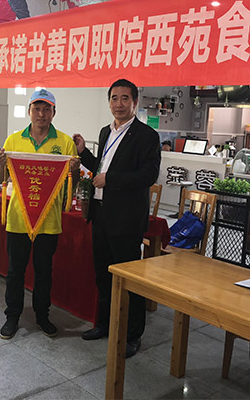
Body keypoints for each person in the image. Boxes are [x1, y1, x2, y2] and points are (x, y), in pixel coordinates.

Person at [73, 79, 161, 358]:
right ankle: (104, 324)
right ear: (109, 101)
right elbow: (101, 168)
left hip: (126, 219)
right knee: (103, 275)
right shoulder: (105, 131)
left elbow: (148, 175)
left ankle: (132, 335)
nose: (119, 104)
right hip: (101, 214)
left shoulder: (147, 136)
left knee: (130, 279)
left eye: (125, 98)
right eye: (114, 98)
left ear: (135, 102)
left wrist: (110, 179)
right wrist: (83, 152)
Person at [0, 89, 80, 340]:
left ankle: (42, 315)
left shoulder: (65, 142)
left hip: (49, 219)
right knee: (15, 271)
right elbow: (1, 178)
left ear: (54, 112)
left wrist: (75, 170)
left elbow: (71, 184)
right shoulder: (14, 140)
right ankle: (12, 316)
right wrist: (1, 163)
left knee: (44, 271)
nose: (41, 114)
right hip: (18, 216)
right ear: (29, 111)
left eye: (46, 109)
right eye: (37, 109)